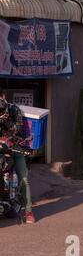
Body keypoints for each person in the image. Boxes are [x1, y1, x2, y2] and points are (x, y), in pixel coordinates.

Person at [0, 89, 34, 223]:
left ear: (3, 97)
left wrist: (7, 122)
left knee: (23, 178)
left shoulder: (14, 110)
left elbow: (18, 128)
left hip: (15, 147)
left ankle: (29, 211)